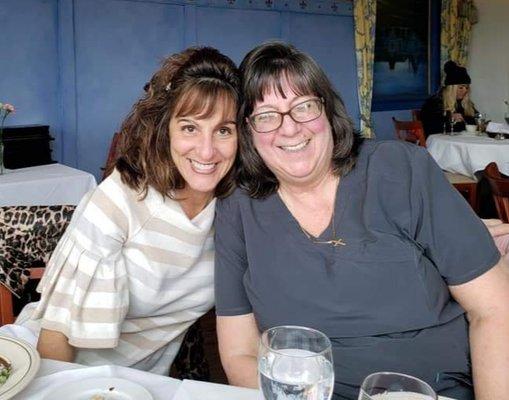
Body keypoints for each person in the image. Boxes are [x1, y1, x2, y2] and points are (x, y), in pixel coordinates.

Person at [214, 42, 509, 400]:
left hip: (429, 391)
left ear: (327, 109)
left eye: (304, 107)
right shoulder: (238, 206)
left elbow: (494, 309)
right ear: (248, 131)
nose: (289, 129)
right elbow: (239, 352)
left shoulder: (401, 170)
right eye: (266, 116)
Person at [12, 46, 240, 375]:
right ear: (166, 130)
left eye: (223, 130)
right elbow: (54, 336)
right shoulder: (122, 199)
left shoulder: (236, 209)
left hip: (134, 385)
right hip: (43, 370)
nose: (207, 150)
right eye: (190, 127)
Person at [420, 60, 477, 136]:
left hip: (461, 141)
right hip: (440, 143)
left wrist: (465, 119)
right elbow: (430, 127)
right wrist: (449, 118)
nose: (465, 91)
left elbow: (475, 121)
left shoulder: (466, 104)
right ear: (451, 88)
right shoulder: (434, 103)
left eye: (467, 88)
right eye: (461, 87)